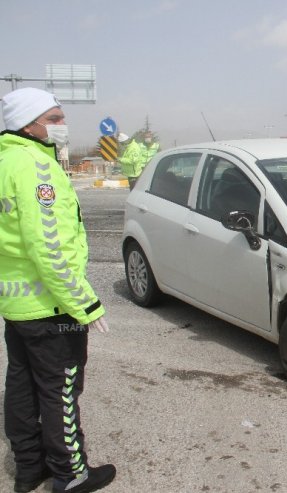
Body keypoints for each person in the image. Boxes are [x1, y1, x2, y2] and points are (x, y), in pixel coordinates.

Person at [0, 87, 116, 493]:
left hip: (16, 303)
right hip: (51, 306)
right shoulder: (35, 167)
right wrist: (84, 303)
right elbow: (48, 247)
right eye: (52, 119)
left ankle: (29, 469)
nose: (61, 126)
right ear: (27, 123)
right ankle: (70, 475)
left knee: (22, 386)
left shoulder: (5, 161)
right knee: (60, 391)